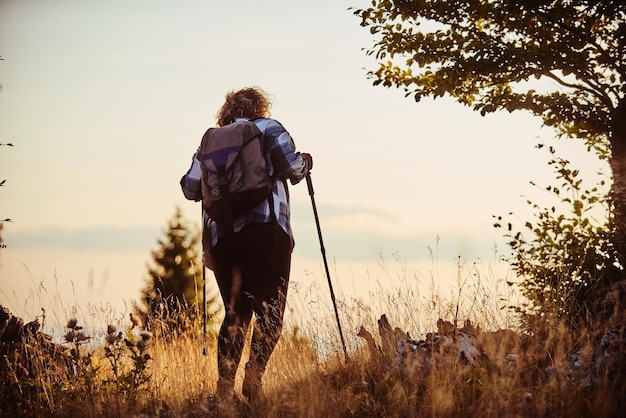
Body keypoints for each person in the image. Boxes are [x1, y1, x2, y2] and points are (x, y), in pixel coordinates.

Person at [180, 87, 312, 401]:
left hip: (222, 237)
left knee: (235, 313)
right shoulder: (269, 128)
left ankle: (224, 390)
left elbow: (190, 188)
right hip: (266, 229)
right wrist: (305, 162)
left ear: (227, 112)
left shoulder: (210, 141)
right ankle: (253, 382)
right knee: (270, 311)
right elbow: (292, 168)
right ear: (260, 107)